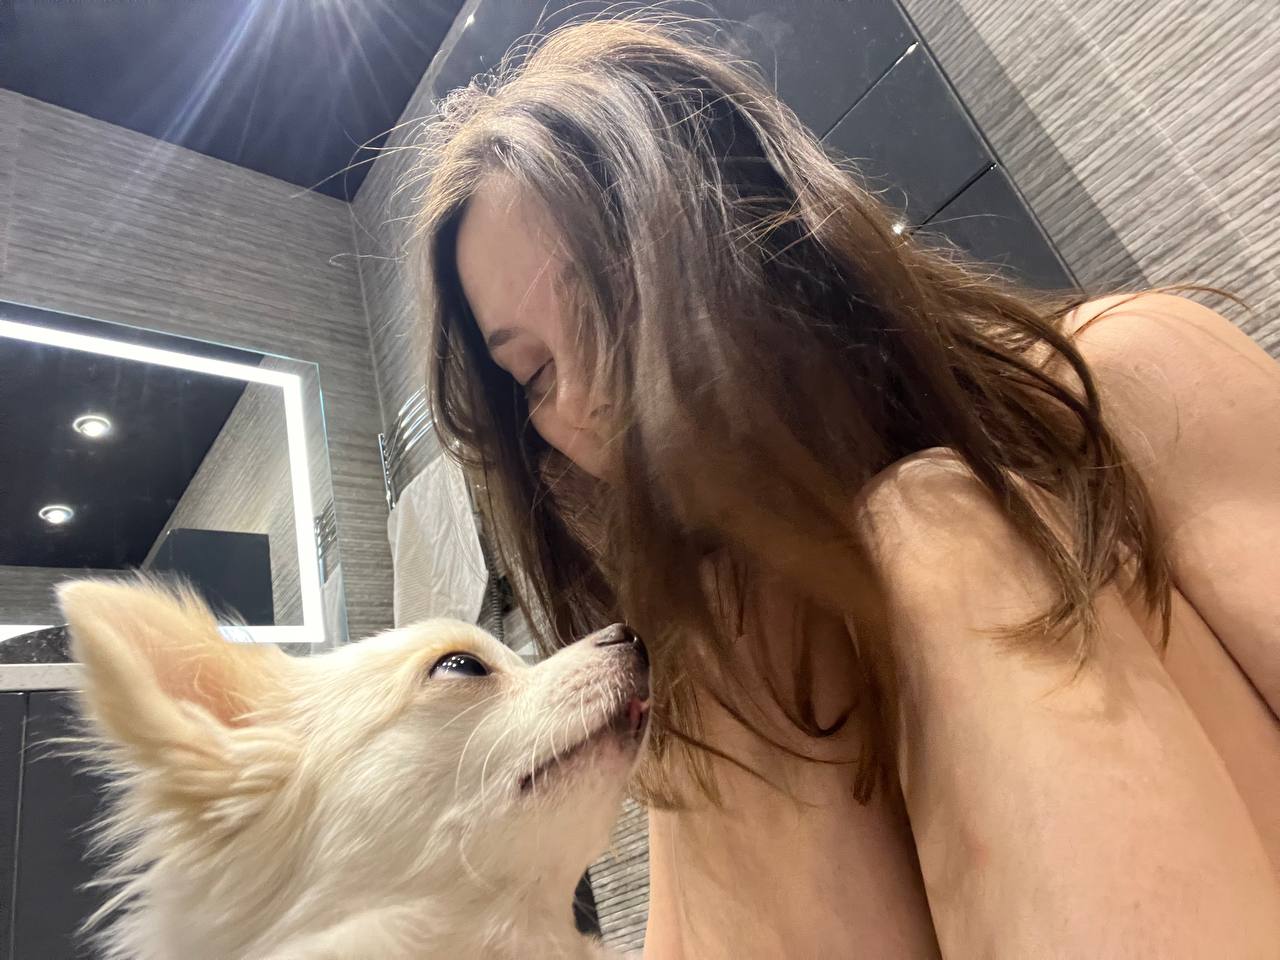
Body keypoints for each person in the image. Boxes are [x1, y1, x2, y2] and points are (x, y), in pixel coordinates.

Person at [410, 17, 1280, 958]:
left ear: (750, 225)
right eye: (533, 374)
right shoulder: (720, 658)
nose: (579, 399)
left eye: (605, 303)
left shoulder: (1124, 374)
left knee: (926, 522)